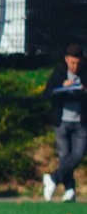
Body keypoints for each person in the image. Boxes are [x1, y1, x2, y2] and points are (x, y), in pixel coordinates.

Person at [43, 43, 84, 203]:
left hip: (81, 121)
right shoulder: (59, 72)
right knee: (64, 157)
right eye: (72, 63)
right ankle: (70, 190)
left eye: (78, 63)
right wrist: (62, 87)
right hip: (61, 122)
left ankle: (53, 178)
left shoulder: (85, 73)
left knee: (78, 155)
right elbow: (47, 93)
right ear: (67, 59)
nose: (75, 66)